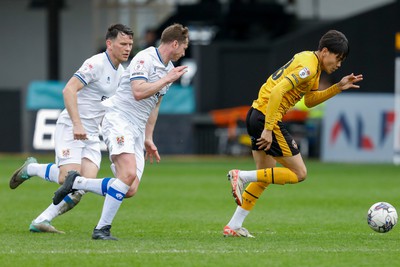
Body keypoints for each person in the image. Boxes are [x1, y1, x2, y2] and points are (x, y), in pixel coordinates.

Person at [52, 23, 189, 240]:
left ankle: (77, 182)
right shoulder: (145, 59)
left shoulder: (168, 68)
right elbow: (137, 92)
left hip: (136, 128)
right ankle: (101, 229)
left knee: (130, 188)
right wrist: (167, 79)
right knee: (127, 175)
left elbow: (155, 104)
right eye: (184, 47)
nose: (184, 52)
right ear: (174, 44)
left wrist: (148, 138)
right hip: (119, 120)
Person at [223, 30, 363, 238]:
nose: (339, 64)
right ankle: (240, 176)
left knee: (265, 176)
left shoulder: (311, 64)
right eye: (338, 58)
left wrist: (337, 88)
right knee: (300, 173)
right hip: (265, 117)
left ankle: (233, 225)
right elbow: (278, 91)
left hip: (255, 114)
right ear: (325, 51)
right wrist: (269, 128)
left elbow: (308, 101)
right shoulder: (308, 67)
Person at [9, 24, 134, 233]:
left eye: (130, 44)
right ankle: (30, 168)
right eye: (123, 43)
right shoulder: (95, 64)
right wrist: (77, 123)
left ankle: (42, 220)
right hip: (71, 127)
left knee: (80, 187)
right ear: (109, 44)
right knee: (65, 177)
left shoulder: (121, 73)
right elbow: (69, 90)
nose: (127, 48)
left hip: (92, 135)